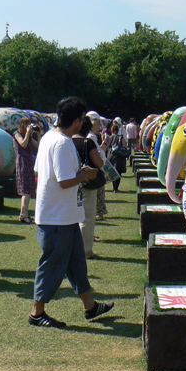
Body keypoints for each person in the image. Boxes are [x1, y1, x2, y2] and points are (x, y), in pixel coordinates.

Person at [29, 96, 114, 328]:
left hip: (62, 215)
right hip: (57, 217)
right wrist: (86, 174)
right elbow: (65, 181)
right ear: (77, 121)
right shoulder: (62, 143)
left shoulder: (48, 137)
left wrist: (79, 172)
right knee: (52, 264)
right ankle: (37, 313)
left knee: (76, 263)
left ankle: (90, 305)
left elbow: (43, 171)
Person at [72, 116, 103, 260]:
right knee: (87, 217)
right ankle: (86, 251)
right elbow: (99, 163)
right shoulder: (88, 142)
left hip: (70, 182)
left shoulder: (68, 141)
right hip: (86, 183)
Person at [13, 117, 40, 223]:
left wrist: (38, 134)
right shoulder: (17, 134)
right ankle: (24, 215)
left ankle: (23, 214)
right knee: (25, 190)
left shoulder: (27, 136)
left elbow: (38, 146)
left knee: (28, 189)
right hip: (22, 164)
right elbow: (23, 144)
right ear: (23, 125)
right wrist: (28, 133)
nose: (30, 127)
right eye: (28, 125)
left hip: (29, 163)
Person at [86, 111, 108, 220]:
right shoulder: (91, 136)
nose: (100, 126)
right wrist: (104, 146)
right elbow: (98, 155)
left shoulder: (90, 136)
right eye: (99, 123)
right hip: (94, 170)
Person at [108, 123, 127, 193]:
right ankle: (116, 188)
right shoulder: (120, 137)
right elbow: (125, 145)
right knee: (118, 172)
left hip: (111, 156)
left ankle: (113, 188)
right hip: (119, 156)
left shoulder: (109, 137)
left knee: (113, 173)